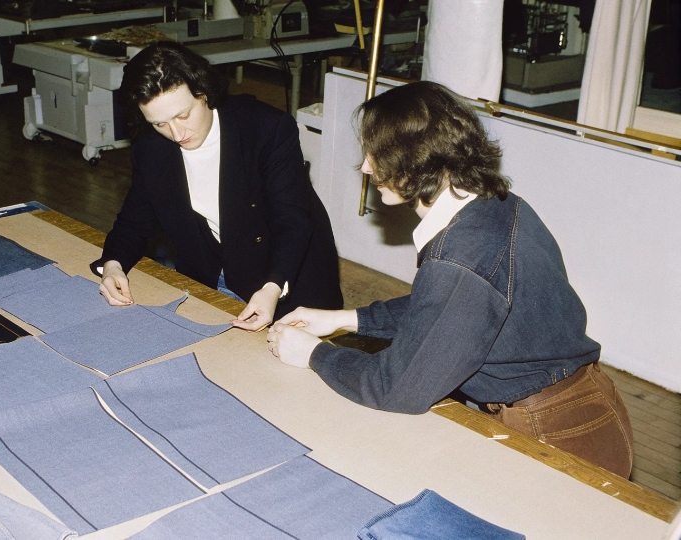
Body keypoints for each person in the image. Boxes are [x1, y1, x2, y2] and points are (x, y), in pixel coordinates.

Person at [266, 81, 634, 478]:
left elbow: (396, 388)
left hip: (555, 433)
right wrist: (345, 319)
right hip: (585, 405)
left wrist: (313, 354)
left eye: (377, 153)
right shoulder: (495, 203)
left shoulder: (459, 258)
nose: (368, 167)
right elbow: (445, 311)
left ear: (417, 158)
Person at [91, 41, 343, 330]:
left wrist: (272, 288)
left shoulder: (266, 129)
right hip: (213, 273)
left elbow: (293, 221)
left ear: (205, 92)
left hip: (287, 277)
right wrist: (113, 265)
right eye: (159, 123)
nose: (175, 133)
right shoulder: (151, 148)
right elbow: (134, 221)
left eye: (183, 115)